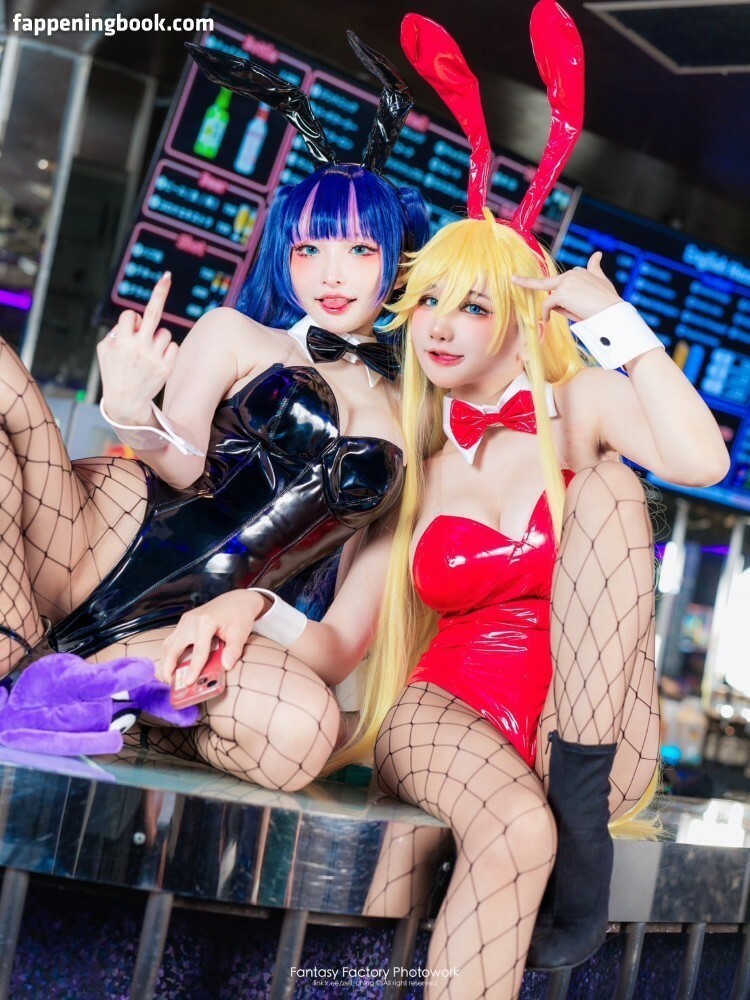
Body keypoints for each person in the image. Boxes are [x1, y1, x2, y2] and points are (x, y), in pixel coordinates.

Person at [150, 8, 729, 995]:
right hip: (446, 712)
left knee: (613, 489)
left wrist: (621, 326)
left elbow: (701, 461)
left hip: (589, 727)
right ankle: (557, 837)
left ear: (526, 318)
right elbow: (342, 639)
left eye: (475, 304)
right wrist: (253, 605)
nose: (442, 326)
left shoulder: (582, 408)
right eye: (427, 301)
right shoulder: (410, 455)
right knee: (515, 829)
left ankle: (579, 809)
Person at [0, 36, 428, 702]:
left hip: (194, 623)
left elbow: (347, 627)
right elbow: (183, 466)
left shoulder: (416, 417)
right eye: (308, 249)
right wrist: (130, 410)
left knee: (299, 725)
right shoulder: (235, 332)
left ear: (399, 263)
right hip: (97, 535)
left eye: (359, 250)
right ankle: (14, 639)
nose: (330, 274)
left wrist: (260, 609)